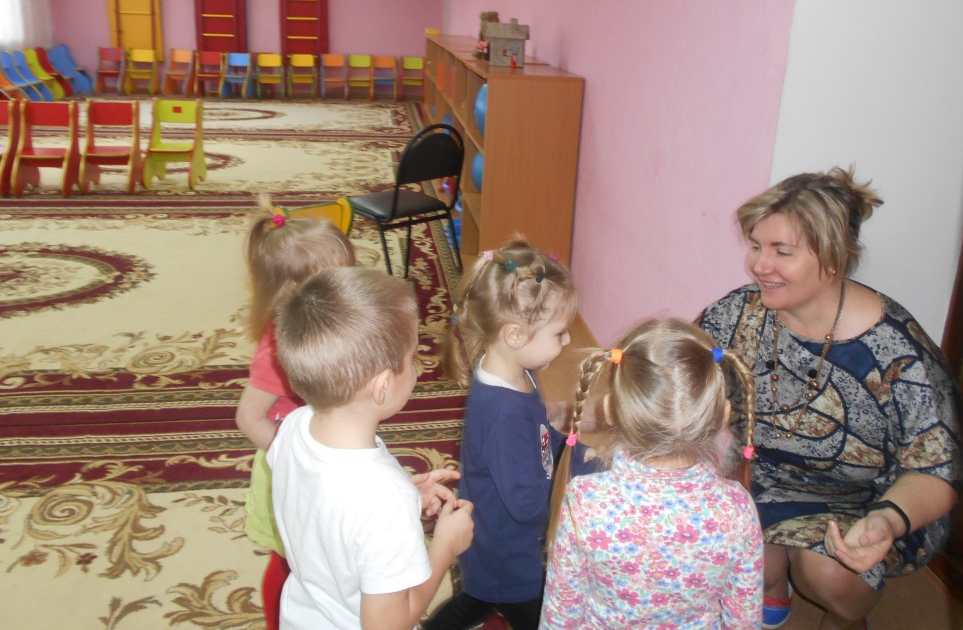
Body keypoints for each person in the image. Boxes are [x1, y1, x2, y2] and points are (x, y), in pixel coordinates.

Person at [698, 167, 963, 630]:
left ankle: (844, 618)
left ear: (833, 257)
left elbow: (937, 468)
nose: (760, 265)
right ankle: (771, 582)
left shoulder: (897, 354)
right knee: (712, 534)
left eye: (782, 251)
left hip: (861, 497)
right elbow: (681, 377)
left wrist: (887, 521)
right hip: (756, 472)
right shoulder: (737, 313)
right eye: (756, 246)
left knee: (829, 572)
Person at [267, 265, 475, 630]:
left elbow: (326, 507)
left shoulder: (295, 426)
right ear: (382, 387)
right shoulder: (383, 499)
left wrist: (404, 498)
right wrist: (444, 546)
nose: (417, 368)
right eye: (411, 358)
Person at [541, 318, 764, 629]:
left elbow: (562, 610)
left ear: (609, 410)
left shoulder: (585, 500)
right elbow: (743, 619)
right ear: (722, 416)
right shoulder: (737, 508)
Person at [424, 238, 592, 630]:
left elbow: (536, 439)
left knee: (476, 601)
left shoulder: (513, 370)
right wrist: (574, 491)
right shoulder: (505, 413)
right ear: (515, 335)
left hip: (497, 540)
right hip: (509, 553)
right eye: (560, 332)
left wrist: (573, 445)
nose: (568, 340)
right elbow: (526, 504)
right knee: (528, 614)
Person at [236, 195, 357, 630]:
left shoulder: (328, 324)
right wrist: (292, 453)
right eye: (334, 283)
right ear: (292, 293)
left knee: (324, 554)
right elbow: (248, 417)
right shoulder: (276, 349)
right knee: (288, 561)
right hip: (291, 468)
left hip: (326, 454)